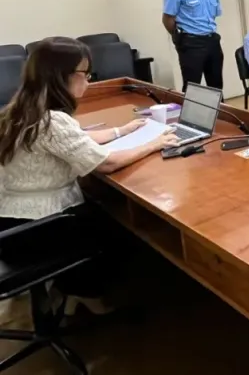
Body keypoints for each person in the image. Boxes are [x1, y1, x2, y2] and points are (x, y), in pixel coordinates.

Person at [0, 38, 179, 309]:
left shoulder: (21, 108)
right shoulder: (53, 121)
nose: (88, 80)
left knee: (108, 208)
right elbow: (106, 164)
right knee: (125, 231)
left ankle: (71, 287)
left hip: (12, 223)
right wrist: (155, 144)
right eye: (85, 73)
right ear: (62, 76)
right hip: (39, 231)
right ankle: (85, 292)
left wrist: (121, 131)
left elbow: (75, 138)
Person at [162, 0, 224, 93]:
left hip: (212, 41)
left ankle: (216, 109)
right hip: (191, 43)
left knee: (216, 86)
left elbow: (212, 16)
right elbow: (167, 19)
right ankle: (190, 110)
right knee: (192, 88)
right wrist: (179, 38)